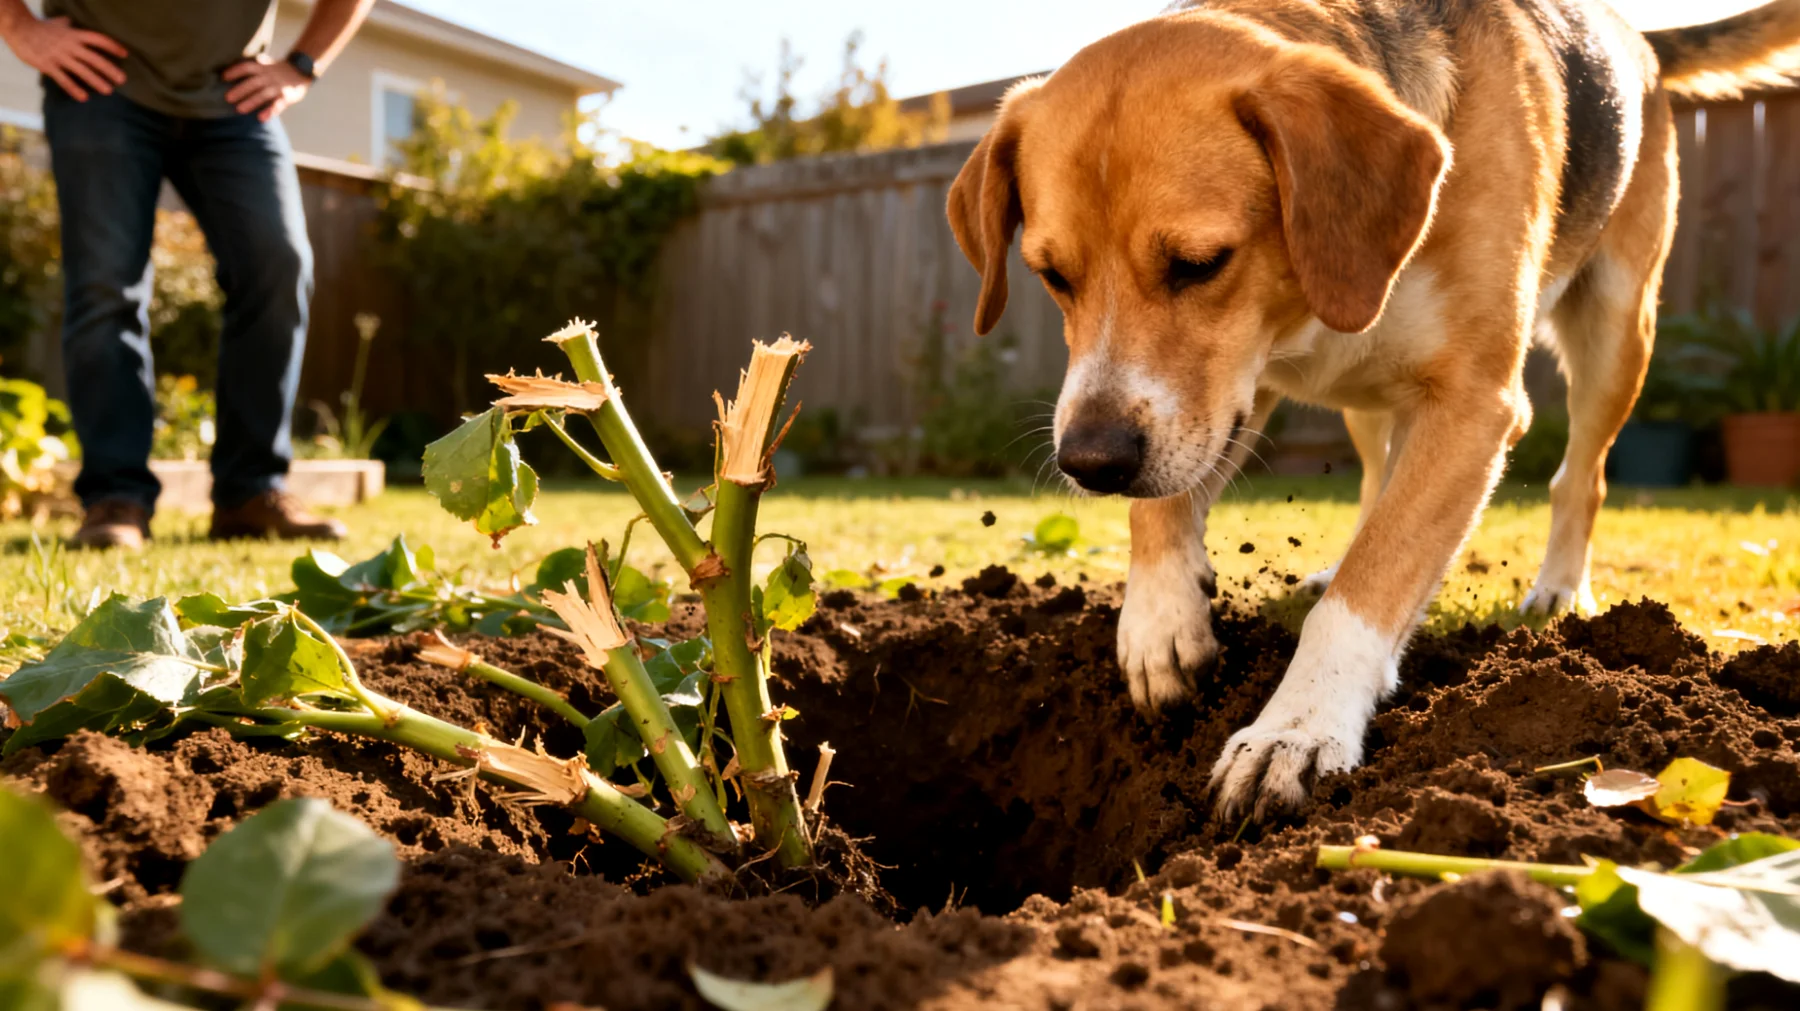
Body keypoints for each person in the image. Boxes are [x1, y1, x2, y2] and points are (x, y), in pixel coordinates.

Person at [0, 0, 377, 549]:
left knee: (278, 264)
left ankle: (249, 493)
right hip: (102, 85)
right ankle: (116, 499)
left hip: (235, 96)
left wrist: (301, 66)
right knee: (106, 284)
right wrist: (17, 22)